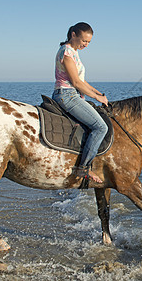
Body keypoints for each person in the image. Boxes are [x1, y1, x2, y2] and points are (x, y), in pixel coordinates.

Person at [52, 22, 108, 184]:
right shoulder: (66, 52)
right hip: (67, 95)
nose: (86, 45)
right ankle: (83, 169)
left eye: (89, 42)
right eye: (84, 40)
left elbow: (83, 82)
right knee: (100, 127)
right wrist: (97, 98)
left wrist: (98, 92)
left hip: (73, 94)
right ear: (73, 35)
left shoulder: (74, 52)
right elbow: (76, 83)